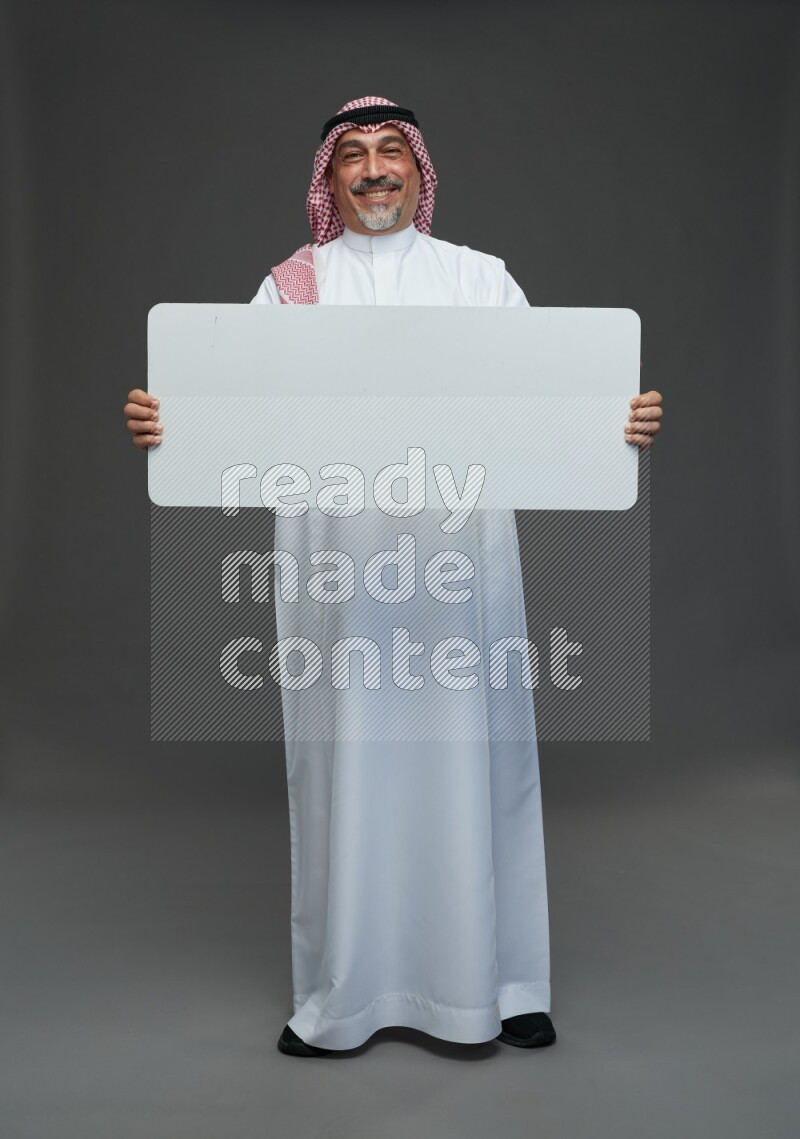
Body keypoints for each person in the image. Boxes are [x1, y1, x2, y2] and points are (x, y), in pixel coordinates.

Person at [124, 96, 663, 1058]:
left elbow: (551, 400)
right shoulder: (292, 288)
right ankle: (345, 993)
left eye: (389, 152)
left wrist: (613, 422)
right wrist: (171, 424)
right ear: (328, 180)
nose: (374, 169)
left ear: (418, 168)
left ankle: (505, 983)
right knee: (349, 761)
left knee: (478, 757)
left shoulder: (479, 279)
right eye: (353, 156)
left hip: (460, 570)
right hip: (337, 573)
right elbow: (230, 408)